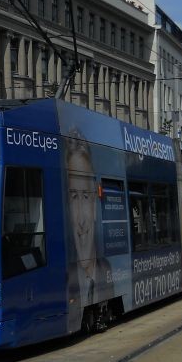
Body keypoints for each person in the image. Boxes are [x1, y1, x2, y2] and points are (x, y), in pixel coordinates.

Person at [65, 131, 113, 327]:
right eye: (73, 197)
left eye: (85, 197)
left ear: (95, 204)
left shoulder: (107, 270)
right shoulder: (65, 281)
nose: (81, 221)